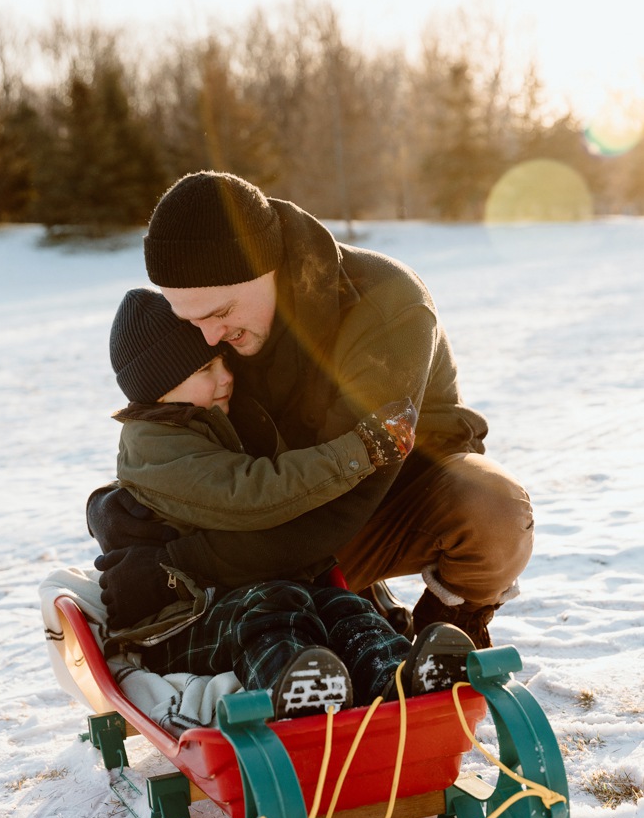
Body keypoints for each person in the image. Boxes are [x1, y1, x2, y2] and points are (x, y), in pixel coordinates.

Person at [89, 171, 534, 650]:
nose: (210, 338)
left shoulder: (385, 307)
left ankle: (447, 629)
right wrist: (114, 508)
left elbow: (344, 502)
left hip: (386, 495)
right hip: (280, 503)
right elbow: (173, 426)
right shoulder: (222, 324)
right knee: (254, 615)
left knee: (494, 508)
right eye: (192, 321)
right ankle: (344, 615)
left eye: (220, 313)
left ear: (266, 266)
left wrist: (178, 563)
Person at [98, 286, 473, 719]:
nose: (225, 377)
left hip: (246, 593)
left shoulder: (211, 420)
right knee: (269, 607)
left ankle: (402, 679)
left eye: (224, 361)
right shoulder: (156, 446)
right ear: (158, 388)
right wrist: (359, 451)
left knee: (343, 606)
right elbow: (254, 494)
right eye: (205, 368)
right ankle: (297, 690)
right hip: (182, 623)